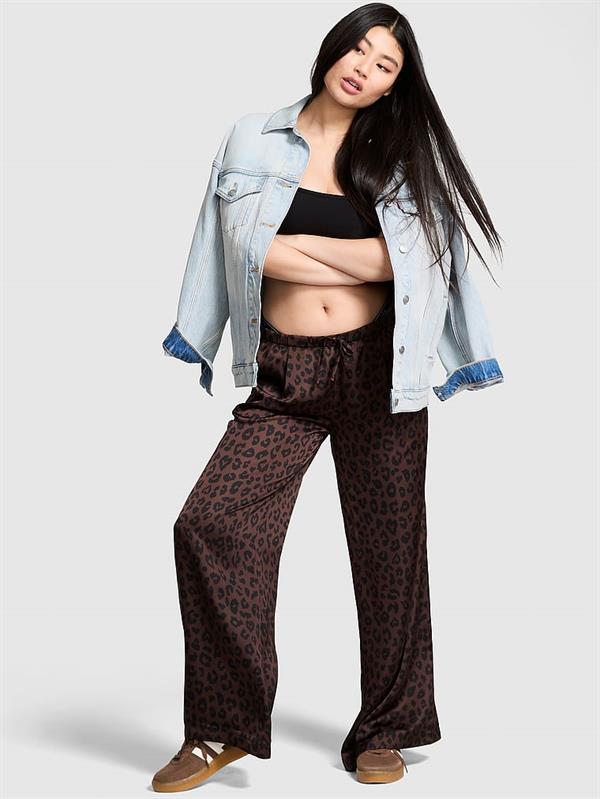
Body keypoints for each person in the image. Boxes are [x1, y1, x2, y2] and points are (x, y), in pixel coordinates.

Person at [152, 3, 504, 792]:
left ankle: (387, 728)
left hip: (382, 369)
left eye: (385, 65)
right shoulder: (251, 138)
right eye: (359, 50)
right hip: (286, 371)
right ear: (332, 50)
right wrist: (352, 253)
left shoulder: (402, 155)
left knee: (391, 556)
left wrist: (297, 248)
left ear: (393, 87)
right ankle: (220, 728)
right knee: (209, 523)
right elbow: (238, 245)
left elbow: (408, 264)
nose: (365, 69)